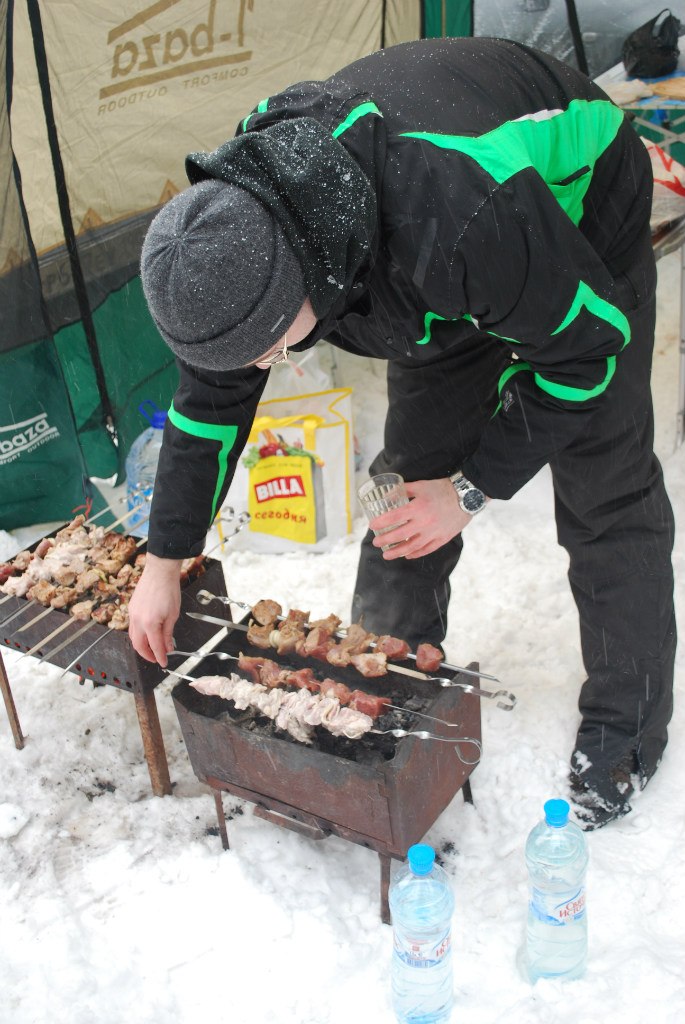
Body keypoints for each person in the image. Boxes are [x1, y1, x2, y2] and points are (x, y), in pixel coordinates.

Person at [129, 37, 676, 830]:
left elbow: (587, 353)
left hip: (575, 210)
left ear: (303, 282)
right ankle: (381, 683)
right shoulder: (240, 230)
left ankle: (628, 728)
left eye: (276, 351)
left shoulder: (452, 216)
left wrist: (470, 489)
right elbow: (211, 398)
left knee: (604, 484)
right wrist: (163, 556)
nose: (267, 368)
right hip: (436, 263)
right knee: (406, 475)